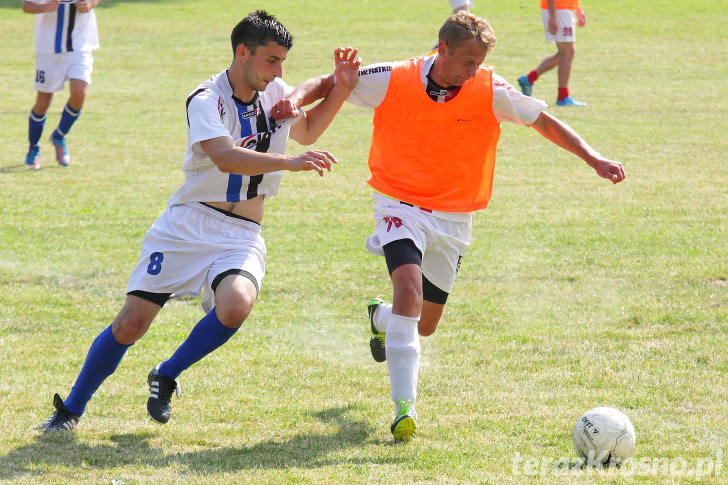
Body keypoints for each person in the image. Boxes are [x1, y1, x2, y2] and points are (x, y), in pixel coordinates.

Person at [293, 10, 624, 441]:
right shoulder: (396, 77)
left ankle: (381, 318)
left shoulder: (490, 88)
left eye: (480, 62)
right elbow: (332, 80)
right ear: (442, 49)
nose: (475, 70)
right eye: (469, 61)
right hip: (400, 202)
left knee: (422, 323)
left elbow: (543, 121)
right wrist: (294, 100)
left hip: (453, 215)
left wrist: (592, 157)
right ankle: (403, 408)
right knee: (409, 292)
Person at [41, 10, 361, 432]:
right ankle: (71, 409)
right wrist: (291, 162)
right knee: (131, 323)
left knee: (237, 304)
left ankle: (166, 374)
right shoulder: (206, 98)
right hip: (187, 224)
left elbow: (311, 125)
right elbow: (225, 156)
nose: (279, 71)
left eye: (283, 61)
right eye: (271, 59)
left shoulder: (275, 90)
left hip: (242, 233)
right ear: (242, 52)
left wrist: (341, 85)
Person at [22, 0, 101, 169]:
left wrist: (91, 3)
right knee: (43, 102)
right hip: (48, 49)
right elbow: (26, 5)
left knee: (79, 93)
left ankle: (59, 135)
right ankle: (33, 148)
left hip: (80, 45)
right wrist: (45, 7)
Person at [517, 0, 587, 106]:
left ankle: (529, 79)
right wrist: (553, 17)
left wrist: (578, 9)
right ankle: (563, 97)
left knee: (565, 53)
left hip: (563, 10)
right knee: (567, 52)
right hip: (559, 11)